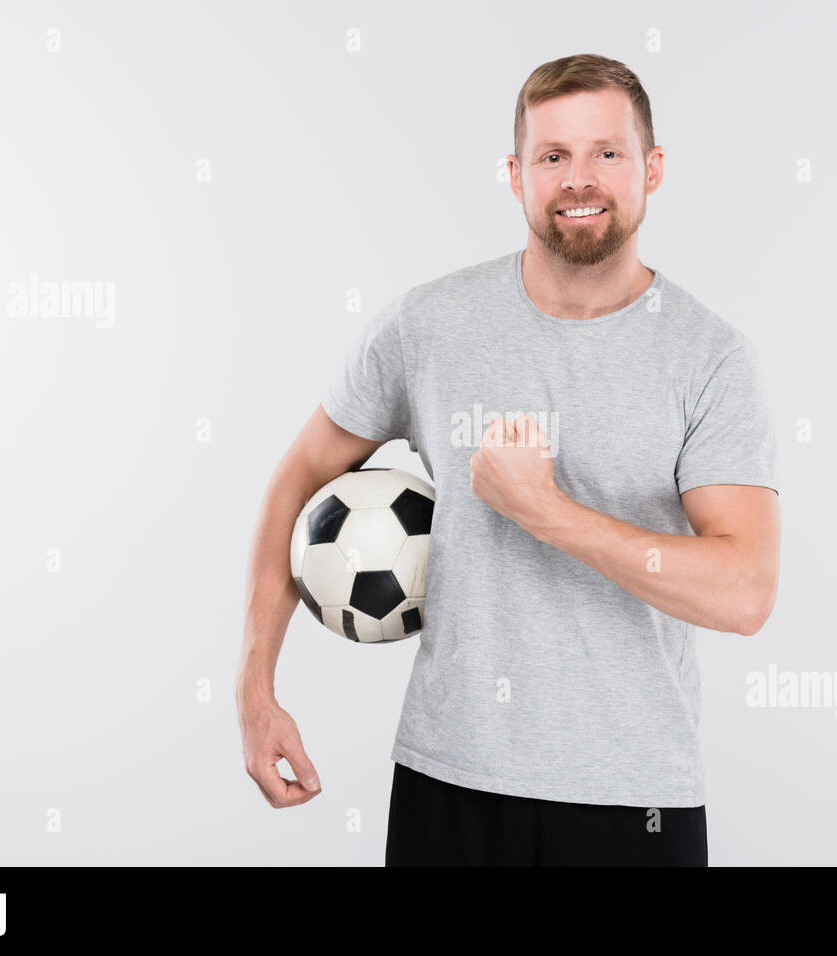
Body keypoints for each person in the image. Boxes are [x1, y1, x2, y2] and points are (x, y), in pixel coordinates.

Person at [237, 53, 781, 866]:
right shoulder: (428, 326)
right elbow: (298, 477)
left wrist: (547, 513)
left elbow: (745, 593)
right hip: (447, 786)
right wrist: (254, 691)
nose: (579, 178)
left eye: (608, 153)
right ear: (516, 173)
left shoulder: (708, 357)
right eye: (552, 156)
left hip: (634, 803)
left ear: (653, 169)